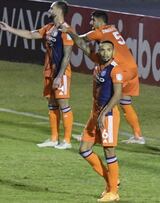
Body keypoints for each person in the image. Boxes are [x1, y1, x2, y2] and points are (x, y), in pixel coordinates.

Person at [61, 10, 145, 144]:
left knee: (104, 99)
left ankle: (92, 134)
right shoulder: (112, 28)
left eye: (92, 20)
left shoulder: (99, 32)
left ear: (99, 21)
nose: (90, 23)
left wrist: (68, 30)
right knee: (125, 102)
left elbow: (81, 40)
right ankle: (138, 135)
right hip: (132, 68)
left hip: (120, 69)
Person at [0, 1, 74, 149]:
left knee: (63, 104)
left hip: (61, 72)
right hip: (49, 71)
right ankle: (54, 139)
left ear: (59, 10)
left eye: (52, 7)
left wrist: (60, 76)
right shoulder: (49, 28)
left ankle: (66, 141)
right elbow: (29, 34)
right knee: (52, 104)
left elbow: (67, 55)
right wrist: (9, 29)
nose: (49, 9)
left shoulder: (66, 30)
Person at [78, 40, 122, 202]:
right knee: (84, 149)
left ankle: (113, 192)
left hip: (108, 115)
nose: (105, 53)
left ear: (113, 51)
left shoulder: (115, 70)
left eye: (108, 50)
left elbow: (117, 95)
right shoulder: (98, 65)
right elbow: (82, 45)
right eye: (102, 50)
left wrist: (103, 113)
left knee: (109, 151)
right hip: (95, 114)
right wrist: (68, 30)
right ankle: (111, 182)